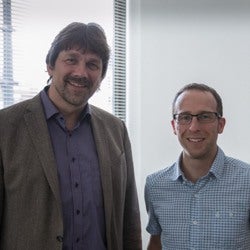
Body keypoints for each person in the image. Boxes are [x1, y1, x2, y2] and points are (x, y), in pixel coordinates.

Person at [0, 22, 142, 250]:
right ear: (50, 65)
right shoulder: (5, 127)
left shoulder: (116, 130)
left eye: (92, 64)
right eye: (71, 60)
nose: (81, 72)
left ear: (102, 75)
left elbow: (129, 220)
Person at [144, 83, 250, 250]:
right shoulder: (155, 185)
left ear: (220, 124)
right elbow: (156, 243)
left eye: (205, 116)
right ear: (174, 126)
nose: (194, 127)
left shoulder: (247, 181)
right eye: (185, 117)